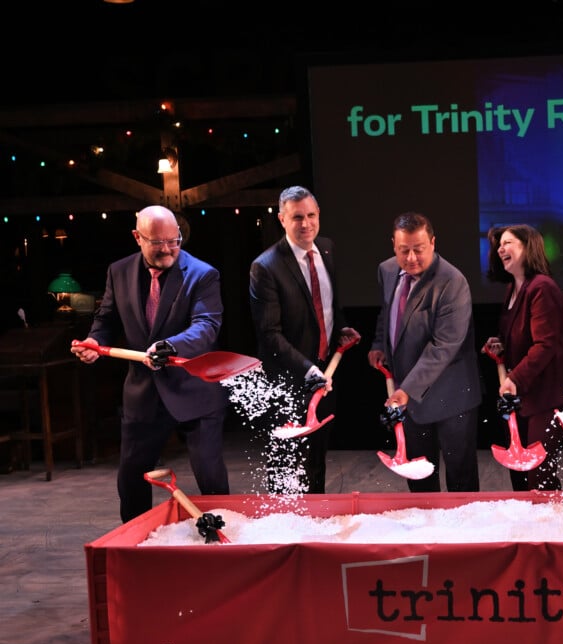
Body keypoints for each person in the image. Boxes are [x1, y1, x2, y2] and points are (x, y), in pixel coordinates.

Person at [70, 205, 230, 522]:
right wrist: (93, 342)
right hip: (144, 394)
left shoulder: (203, 274)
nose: (168, 249)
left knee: (210, 477)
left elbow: (206, 326)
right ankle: (134, 549)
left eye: (175, 241)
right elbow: (106, 320)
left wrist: (171, 345)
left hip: (194, 392)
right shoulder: (119, 272)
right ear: (137, 237)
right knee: (130, 480)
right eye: (158, 243)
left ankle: (226, 545)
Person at [249, 185, 361, 494]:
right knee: (286, 465)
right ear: (282, 219)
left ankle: (316, 526)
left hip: (325, 373)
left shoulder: (327, 248)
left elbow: (325, 305)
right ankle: (286, 531)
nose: (305, 224)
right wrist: (309, 370)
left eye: (311, 215)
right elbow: (269, 334)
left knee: (316, 460)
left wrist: (341, 328)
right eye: (297, 217)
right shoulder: (265, 266)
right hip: (287, 380)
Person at [367, 211, 482, 492]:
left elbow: (444, 347)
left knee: (460, 478)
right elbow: (388, 313)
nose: (411, 258)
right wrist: (380, 344)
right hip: (409, 398)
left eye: (418, 250)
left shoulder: (452, 282)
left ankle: (464, 534)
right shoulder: (387, 270)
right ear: (393, 245)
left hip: (451, 396)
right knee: (418, 476)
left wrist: (406, 389)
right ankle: (426, 532)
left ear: (432, 242)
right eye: (403, 250)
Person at [481, 224, 563, 491]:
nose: (500, 248)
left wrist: (514, 378)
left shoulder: (542, 287)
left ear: (528, 247)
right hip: (524, 397)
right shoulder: (513, 289)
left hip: (545, 398)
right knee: (520, 476)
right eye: (499, 244)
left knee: (539, 475)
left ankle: (552, 531)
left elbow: (545, 344)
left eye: (508, 242)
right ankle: (529, 531)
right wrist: (500, 344)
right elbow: (521, 339)